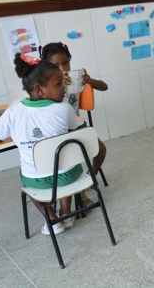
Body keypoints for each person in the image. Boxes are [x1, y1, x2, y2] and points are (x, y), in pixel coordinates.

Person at [0, 54, 81, 235]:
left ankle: (51, 219)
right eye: (58, 85)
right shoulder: (64, 108)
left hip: (36, 180)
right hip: (67, 177)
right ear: (39, 89)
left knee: (29, 185)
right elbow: (78, 130)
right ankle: (66, 211)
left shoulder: (14, 111)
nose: (64, 88)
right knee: (64, 162)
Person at [41, 42, 107, 206]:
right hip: (55, 131)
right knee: (67, 159)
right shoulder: (45, 86)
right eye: (55, 65)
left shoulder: (75, 79)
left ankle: (90, 177)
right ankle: (71, 194)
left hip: (76, 126)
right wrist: (58, 85)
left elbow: (104, 87)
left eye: (66, 63)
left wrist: (89, 80)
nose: (63, 68)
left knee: (101, 150)